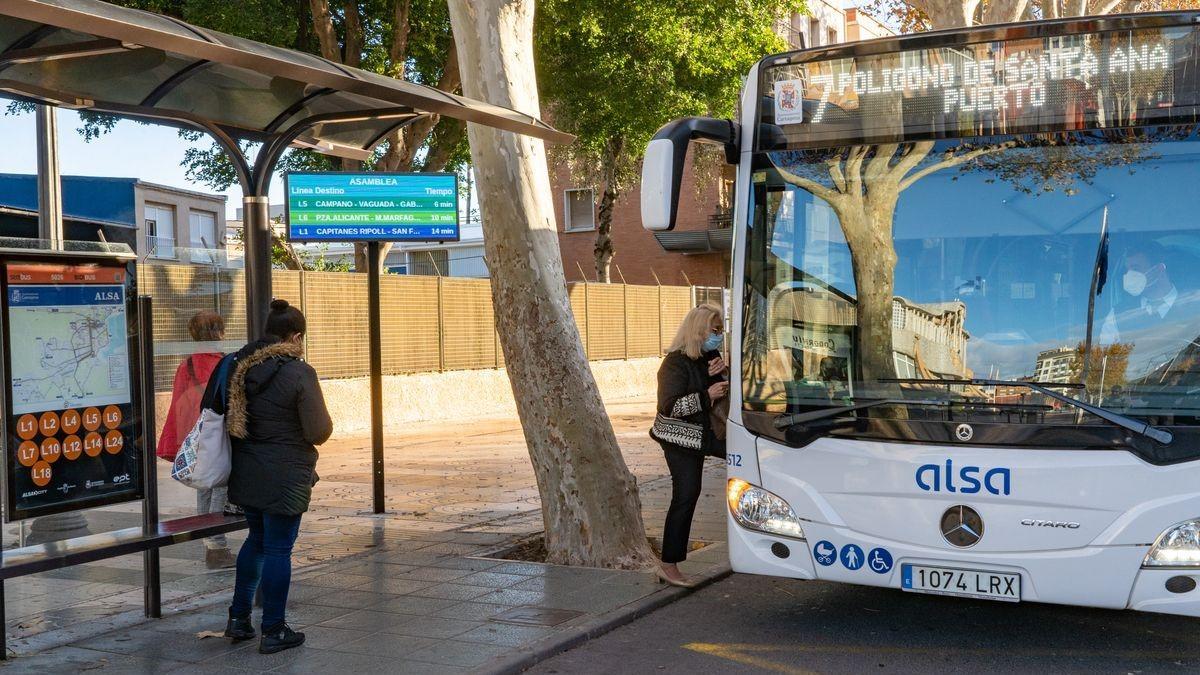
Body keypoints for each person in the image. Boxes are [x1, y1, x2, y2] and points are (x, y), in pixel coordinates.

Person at [221, 300, 332, 655]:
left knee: (256, 540)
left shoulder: (242, 366)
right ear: (296, 336)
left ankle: (238, 619)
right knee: (279, 549)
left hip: (248, 471)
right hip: (285, 474)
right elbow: (318, 430)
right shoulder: (300, 373)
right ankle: (274, 629)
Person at [651, 303, 727, 587]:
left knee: (748, 459)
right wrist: (707, 394)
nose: (718, 335)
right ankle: (668, 565)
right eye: (714, 330)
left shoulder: (709, 355)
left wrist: (724, 374)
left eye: (720, 330)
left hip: (707, 433)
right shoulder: (674, 363)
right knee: (686, 494)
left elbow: (723, 394)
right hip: (679, 437)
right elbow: (669, 407)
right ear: (698, 330)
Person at [157, 310, 235, 570]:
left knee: (204, 485)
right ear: (219, 333)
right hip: (220, 434)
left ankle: (209, 543)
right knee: (220, 485)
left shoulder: (186, 365)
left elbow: (177, 406)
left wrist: (179, 440)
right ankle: (217, 544)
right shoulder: (225, 363)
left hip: (196, 435)